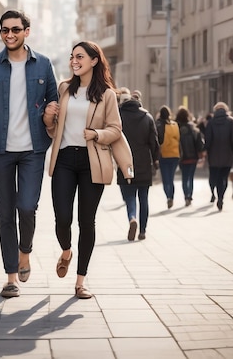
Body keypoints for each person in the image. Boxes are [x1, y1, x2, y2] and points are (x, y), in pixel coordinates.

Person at [0, 10, 58, 299]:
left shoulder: (44, 65)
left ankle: (25, 252)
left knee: (27, 207)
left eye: (15, 29)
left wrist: (49, 112)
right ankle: (11, 276)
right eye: (4, 30)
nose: (9, 34)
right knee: (5, 214)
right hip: (0, 149)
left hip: (34, 149)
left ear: (26, 31)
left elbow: (55, 100)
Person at [44, 41, 134, 300]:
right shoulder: (63, 88)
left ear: (94, 60)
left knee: (86, 221)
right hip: (63, 160)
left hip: (91, 161)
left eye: (80, 56)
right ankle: (66, 251)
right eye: (72, 56)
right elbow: (53, 129)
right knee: (62, 218)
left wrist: (96, 133)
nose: (74, 60)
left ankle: (80, 281)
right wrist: (49, 118)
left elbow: (115, 129)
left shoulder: (106, 94)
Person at [117, 88, 159, 241]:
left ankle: (132, 217)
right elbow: (154, 142)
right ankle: (142, 230)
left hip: (124, 162)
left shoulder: (119, 116)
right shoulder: (147, 117)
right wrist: (155, 160)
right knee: (143, 197)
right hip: (143, 163)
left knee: (129, 196)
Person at [204, 101, 233, 211]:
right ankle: (221, 197)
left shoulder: (211, 122)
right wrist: (232, 152)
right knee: (224, 177)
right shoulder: (231, 122)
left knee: (215, 176)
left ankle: (215, 193)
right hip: (227, 155)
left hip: (213, 156)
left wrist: (207, 151)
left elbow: (207, 140)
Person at [175, 107, 204, 206]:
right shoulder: (193, 128)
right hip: (193, 157)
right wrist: (200, 152)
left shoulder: (176, 127)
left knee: (184, 177)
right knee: (190, 177)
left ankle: (186, 195)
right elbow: (199, 142)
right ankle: (189, 196)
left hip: (182, 157)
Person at [155, 105, 180, 209]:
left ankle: (168, 197)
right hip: (175, 155)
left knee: (166, 179)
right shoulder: (175, 125)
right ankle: (172, 197)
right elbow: (178, 139)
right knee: (171, 178)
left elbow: (157, 141)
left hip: (164, 155)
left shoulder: (158, 125)